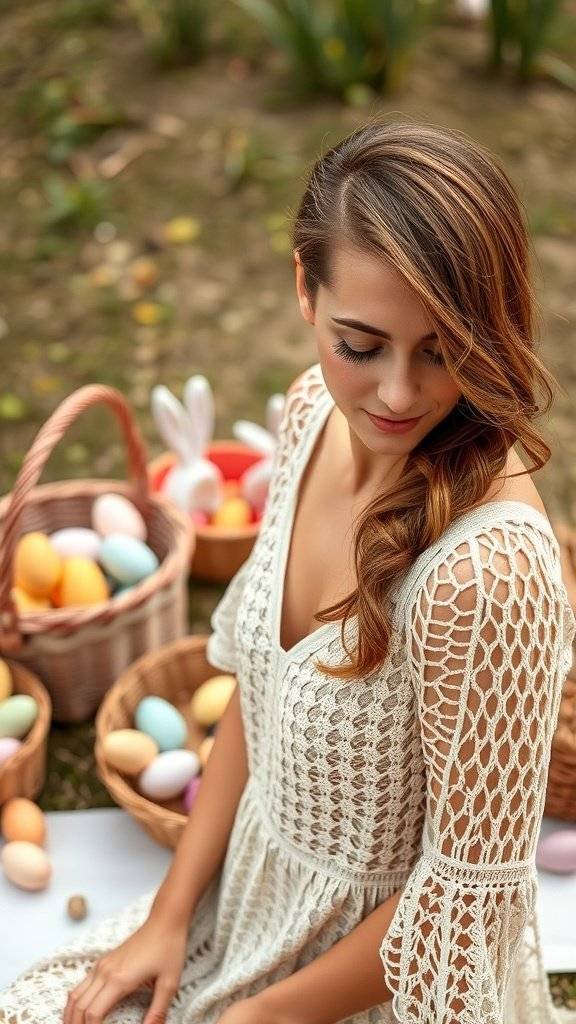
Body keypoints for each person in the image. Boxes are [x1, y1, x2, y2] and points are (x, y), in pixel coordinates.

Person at [1, 117, 575, 1024]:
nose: (396, 395)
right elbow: (254, 700)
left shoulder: (488, 577)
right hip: (248, 911)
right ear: (304, 288)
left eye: (443, 349)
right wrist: (168, 915)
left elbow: (462, 911)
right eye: (361, 344)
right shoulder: (311, 415)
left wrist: (257, 1018)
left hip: (390, 985)